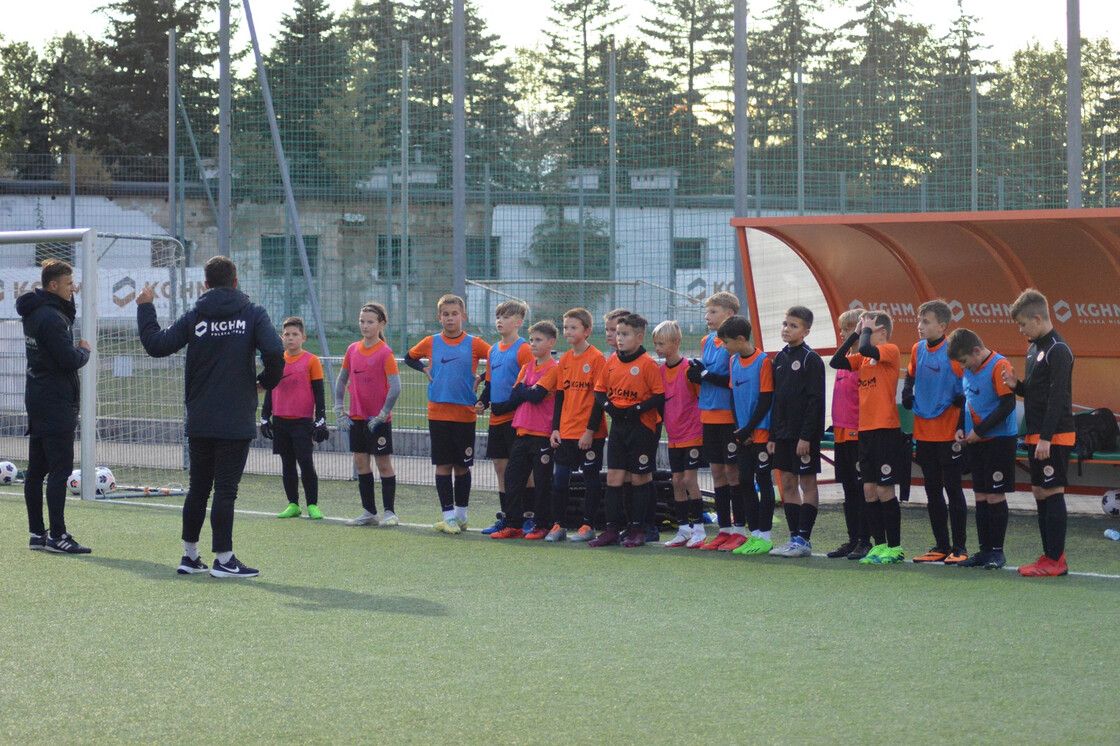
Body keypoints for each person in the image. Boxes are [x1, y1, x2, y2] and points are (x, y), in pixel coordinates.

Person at [138, 255, 284, 578]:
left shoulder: (195, 315)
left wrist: (146, 307)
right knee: (226, 490)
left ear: (205, 285)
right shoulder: (252, 313)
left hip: (201, 417)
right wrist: (264, 382)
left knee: (198, 488)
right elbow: (275, 351)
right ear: (236, 282)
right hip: (234, 419)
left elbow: (157, 344)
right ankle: (224, 559)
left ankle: (190, 556)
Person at [17, 259, 92, 554]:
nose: (74, 289)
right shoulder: (50, 317)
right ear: (53, 285)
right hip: (55, 400)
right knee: (58, 469)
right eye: (69, 284)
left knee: (36, 470)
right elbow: (68, 360)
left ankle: (38, 533)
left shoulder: (37, 312)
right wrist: (84, 351)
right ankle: (57, 535)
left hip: (38, 395)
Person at [404, 294, 490, 534]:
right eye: (445, 314)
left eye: (454, 314)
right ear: (439, 317)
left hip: (465, 414)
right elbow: (408, 357)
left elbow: (498, 359)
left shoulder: (475, 343)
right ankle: (448, 516)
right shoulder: (430, 341)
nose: (450, 318)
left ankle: (462, 515)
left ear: (464, 316)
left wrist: (481, 378)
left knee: (462, 467)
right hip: (438, 413)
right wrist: (424, 368)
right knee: (443, 465)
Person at [1003, 289, 1075, 577]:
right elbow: (1036, 393)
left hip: (1054, 435)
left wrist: (1046, 437)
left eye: (1023, 324)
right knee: (1039, 492)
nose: (1021, 330)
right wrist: (1016, 386)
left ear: (1037, 318)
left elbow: (1059, 398)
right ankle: (1050, 555)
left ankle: (1056, 560)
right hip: (1036, 434)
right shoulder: (1035, 348)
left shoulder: (1059, 349)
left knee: (1052, 490)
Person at [831, 310, 906, 565]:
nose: (864, 336)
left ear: (882, 332)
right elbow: (837, 361)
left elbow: (866, 347)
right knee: (869, 489)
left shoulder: (890, 350)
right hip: (866, 431)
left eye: (869, 330)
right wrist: (855, 332)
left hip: (885, 430)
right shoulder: (862, 358)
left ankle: (895, 546)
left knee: (885, 489)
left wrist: (863, 332)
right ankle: (880, 544)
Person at [588, 313, 665, 547]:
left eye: (625, 334)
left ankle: (638, 529)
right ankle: (611, 529)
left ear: (639, 337)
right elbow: (599, 392)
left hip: (641, 426)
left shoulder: (648, 364)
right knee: (614, 477)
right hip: (619, 426)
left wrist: (637, 408)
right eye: (617, 333)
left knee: (640, 477)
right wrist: (610, 407)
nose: (619, 338)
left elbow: (659, 396)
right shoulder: (611, 361)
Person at [902, 300, 969, 564]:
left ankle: (959, 548)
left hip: (949, 431)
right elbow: (910, 374)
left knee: (953, 488)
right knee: (931, 489)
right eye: (919, 321)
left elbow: (969, 383)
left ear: (942, 326)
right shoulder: (918, 348)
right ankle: (941, 545)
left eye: (926, 322)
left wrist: (962, 417)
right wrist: (907, 390)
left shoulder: (954, 351)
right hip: (924, 430)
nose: (920, 327)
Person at [947, 328, 1018, 570]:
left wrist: (980, 431)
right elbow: (967, 401)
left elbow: (1008, 405)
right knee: (979, 496)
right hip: (975, 441)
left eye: (965, 361)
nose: (964, 367)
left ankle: (997, 552)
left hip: (999, 440)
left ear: (976, 351)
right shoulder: (969, 369)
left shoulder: (999, 365)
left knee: (995, 495)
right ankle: (984, 550)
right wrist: (960, 427)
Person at [490, 321, 560, 540]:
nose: (533, 344)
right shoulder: (527, 368)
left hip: (542, 434)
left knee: (541, 481)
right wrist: (528, 390)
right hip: (522, 431)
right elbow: (515, 395)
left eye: (538, 340)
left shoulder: (553, 368)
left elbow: (535, 395)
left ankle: (543, 524)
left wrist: (526, 390)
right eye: (531, 340)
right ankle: (513, 524)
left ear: (551, 343)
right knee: (512, 478)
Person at [715, 315, 778, 556]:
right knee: (743, 482)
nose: (725, 347)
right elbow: (733, 396)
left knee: (763, 481)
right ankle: (754, 534)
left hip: (760, 434)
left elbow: (765, 400)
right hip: (743, 434)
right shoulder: (733, 361)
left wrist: (750, 428)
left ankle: (766, 535)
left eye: (727, 342)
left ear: (741, 339)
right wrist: (740, 430)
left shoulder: (763, 361)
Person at [766, 307, 826, 558]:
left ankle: (804, 539)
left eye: (793, 326)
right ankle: (793, 538)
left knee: (807, 483)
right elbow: (776, 401)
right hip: (782, 435)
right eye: (785, 324)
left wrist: (806, 436)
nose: (786, 329)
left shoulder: (811, 359)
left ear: (806, 331)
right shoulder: (779, 359)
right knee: (788, 483)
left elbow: (816, 401)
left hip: (803, 437)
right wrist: (772, 436)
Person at [335, 302, 401, 527]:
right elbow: (342, 379)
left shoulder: (385, 352)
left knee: (383, 464)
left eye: (370, 321)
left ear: (381, 324)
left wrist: (382, 415)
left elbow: (396, 387)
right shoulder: (352, 349)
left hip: (378, 420)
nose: (365, 325)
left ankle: (390, 512)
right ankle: (369, 512)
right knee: (361, 463)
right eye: (362, 321)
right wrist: (339, 408)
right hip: (357, 418)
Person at [688, 292, 743, 551]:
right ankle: (723, 530)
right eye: (707, 312)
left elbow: (732, 380)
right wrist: (697, 375)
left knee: (733, 472)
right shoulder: (707, 340)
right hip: (708, 414)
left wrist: (707, 375)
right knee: (718, 473)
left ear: (729, 314)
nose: (707, 317)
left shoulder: (735, 343)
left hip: (728, 416)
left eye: (712, 312)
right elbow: (707, 375)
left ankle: (741, 529)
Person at [548, 308, 608, 543]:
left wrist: (589, 432)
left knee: (590, 478)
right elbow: (560, 397)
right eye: (566, 327)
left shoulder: (596, 359)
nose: (568, 331)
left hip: (589, 433)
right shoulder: (563, 360)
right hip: (566, 431)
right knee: (560, 479)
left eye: (573, 327)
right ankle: (559, 525)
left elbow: (599, 399)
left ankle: (588, 525)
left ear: (587, 331)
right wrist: (555, 428)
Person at [260, 317, 328, 520]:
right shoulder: (277, 360)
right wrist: (265, 416)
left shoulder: (312, 360)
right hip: (281, 421)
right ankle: (293, 504)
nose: (290, 338)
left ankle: (312, 505)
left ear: (303, 337)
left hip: (302, 421)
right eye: (287, 335)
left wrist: (321, 418)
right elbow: (270, 390)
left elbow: (319, 392)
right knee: (287, 463)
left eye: (295, 334)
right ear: (282, 337)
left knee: (306, 462)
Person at [476, 300, 533, 535]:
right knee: (501, 467)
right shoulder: (492, 349)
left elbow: (529, 384)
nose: (500, 321)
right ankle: (508, 517)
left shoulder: (523, 349)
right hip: (497, 419)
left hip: (517, 420)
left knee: (523, 470)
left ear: (519, 322)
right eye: (498, 316)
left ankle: (529, 517)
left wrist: (505, 406)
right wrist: (483, 401)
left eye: (506, 317)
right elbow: (490, 382)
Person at [652, 320, 707, 548]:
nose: (657, 348)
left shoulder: (689, 369)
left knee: (689, 480)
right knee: (676, 481)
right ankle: (683, 529)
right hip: (673, 436)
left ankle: (700, 530)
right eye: (655, 344)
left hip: (693, 434)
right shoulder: (660, 371)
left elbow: (701, 399)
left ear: (676, 343)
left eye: (662, 343)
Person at [826, 308, 870, 560]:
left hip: (857, 433)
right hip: (841, 433)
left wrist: (855, 337)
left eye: (846, 328)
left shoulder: (863, 361)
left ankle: (865, 539)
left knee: (859, 487)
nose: (841, 332)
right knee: (848, 489)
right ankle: (853, 538)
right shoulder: (845, 363)